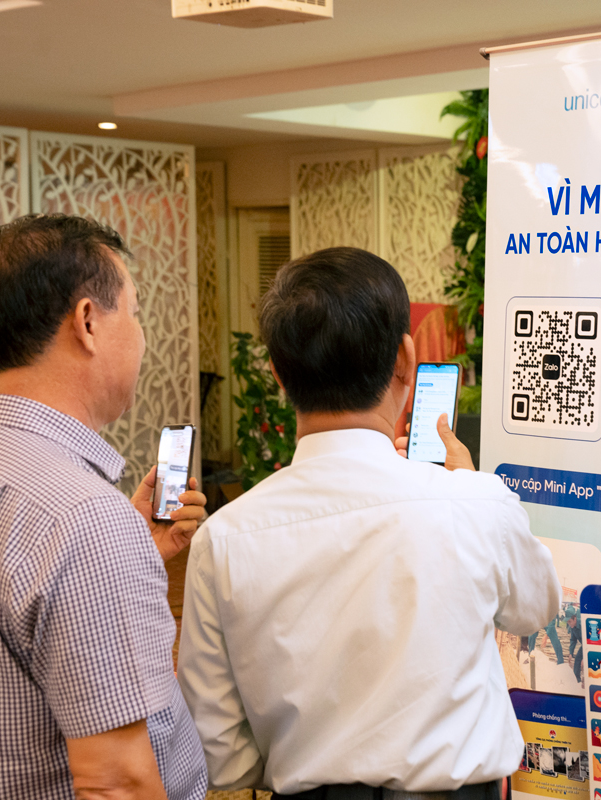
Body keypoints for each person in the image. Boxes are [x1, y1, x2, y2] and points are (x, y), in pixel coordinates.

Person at [176, 246, 560, 797]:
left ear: (278, 373)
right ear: (405, 360)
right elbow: (536, 607)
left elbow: (221, 755)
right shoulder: (475, 503)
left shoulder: (223, 539)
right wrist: (472, 487)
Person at [0, 214, 209, 800]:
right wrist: (110, 540)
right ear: (88, 322)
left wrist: (133, 549)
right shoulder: (84, 517)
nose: (142, 336)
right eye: (135, 313)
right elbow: (117, 782)